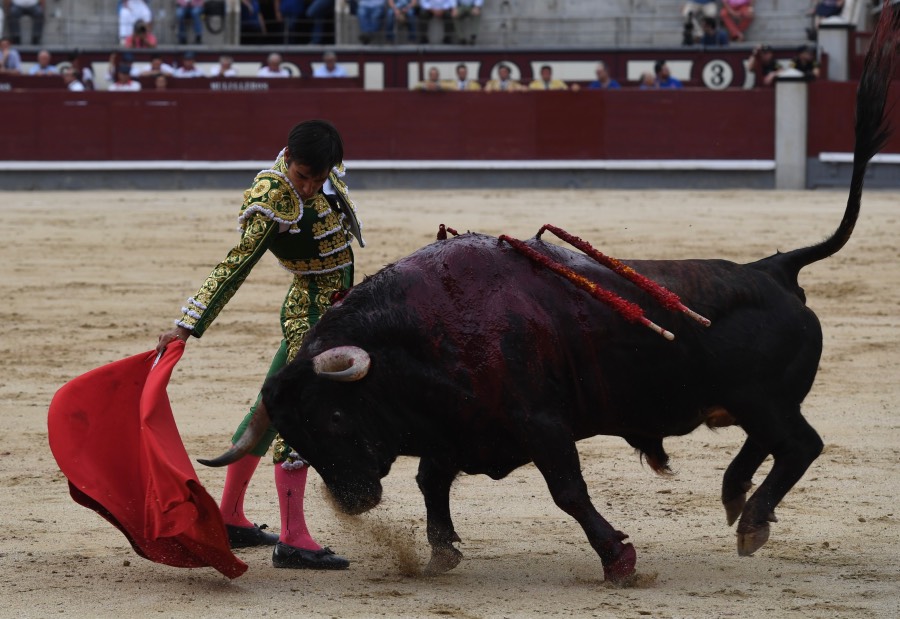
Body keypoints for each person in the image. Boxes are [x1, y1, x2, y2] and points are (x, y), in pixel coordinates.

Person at [155, 119, 361, 571]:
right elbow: (236, 264)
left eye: (318, 178)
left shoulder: (324, 174)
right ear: (288, 158)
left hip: (335, 311)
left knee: (267, 408)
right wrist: (186, 325)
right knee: (301, 414)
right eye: (302, 176)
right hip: (308, 317)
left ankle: (229, 516)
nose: (308, 188)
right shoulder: (274, 199)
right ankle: (293, 539)